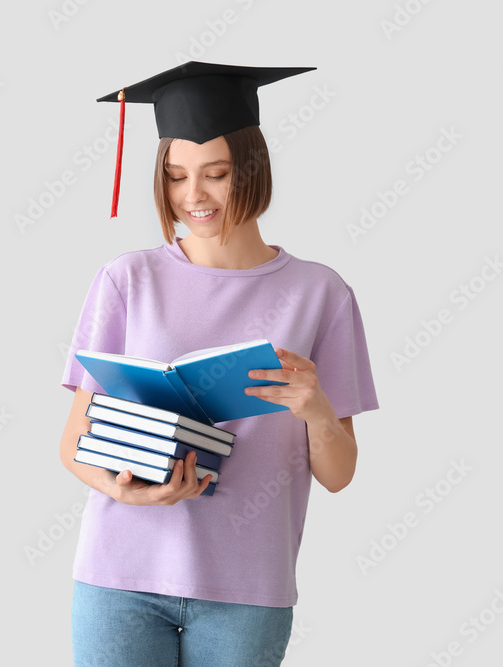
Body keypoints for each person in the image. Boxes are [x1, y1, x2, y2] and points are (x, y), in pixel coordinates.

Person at [58, 62, 380, 667]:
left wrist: (316, 411)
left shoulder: (321, 294)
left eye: (216, 174)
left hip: (247, 590)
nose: (193, 196)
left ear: (251, 171)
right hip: (118, 577)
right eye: (177, 177)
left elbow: (339, 475)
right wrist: (129, 496)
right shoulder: (127, 280)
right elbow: (75, 443)